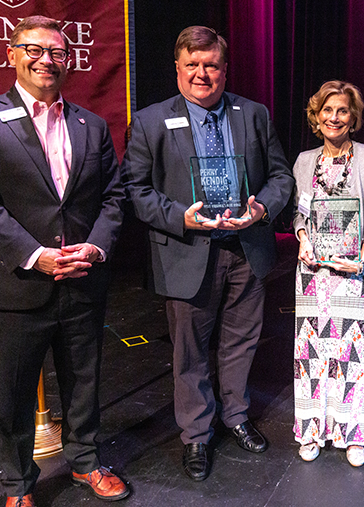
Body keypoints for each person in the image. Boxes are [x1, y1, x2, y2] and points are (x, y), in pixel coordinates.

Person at [0, 16, 128, 507]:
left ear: (67, 60)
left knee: (84, 382)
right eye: (34, 49)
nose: (46, 60)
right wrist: (37, 256)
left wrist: (94, 247)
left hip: (82, 278)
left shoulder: (90, 125)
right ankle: (18, 485)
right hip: (13, 282)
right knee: (12, 393)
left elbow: (113, 198)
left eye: (56, 52)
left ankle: (86, 463)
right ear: (11, 54)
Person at [122, 26, 293, 482]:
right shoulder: (151, 121)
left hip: (246, 248)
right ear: (177, 68)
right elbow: (134, 191)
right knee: (191, 350)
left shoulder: (252, 114)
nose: (202, 74)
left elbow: (281, 178)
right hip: (187, 251)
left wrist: (261, 210)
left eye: (211, 64)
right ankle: (196, 433)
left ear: (224, 68)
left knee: (241, 342)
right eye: (192, 65)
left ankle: (235, 416)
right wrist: (182, 217)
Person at [291, 81, 364, 467]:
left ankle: (352, 434)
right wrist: (301, 239)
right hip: (313, 272)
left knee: (352, 353)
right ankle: (312, 429)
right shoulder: (303, 161)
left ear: (354, 117)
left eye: (343, 111)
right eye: (327, 110)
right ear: (317, 115)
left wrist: (363, 257)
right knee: (311, 355)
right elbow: (299, 212)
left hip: (354, 269)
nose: (334, 118)